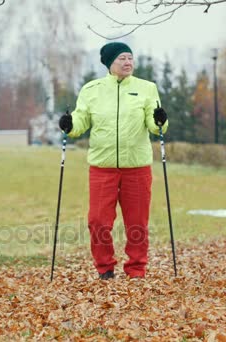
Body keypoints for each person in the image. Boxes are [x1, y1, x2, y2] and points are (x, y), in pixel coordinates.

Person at [58, 42, 168, 280]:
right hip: (102, 167)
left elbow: (154, 124)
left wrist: (161, 120)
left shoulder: (147, 88)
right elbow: (81, 120)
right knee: (97, 221)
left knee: (137, 223)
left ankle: (136, 269)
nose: (128, 62)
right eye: (122, 59)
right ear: (110, 63)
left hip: (137, 168)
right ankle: (104, 268)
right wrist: (70, 125)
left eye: (130, 58)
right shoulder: (92, 89)